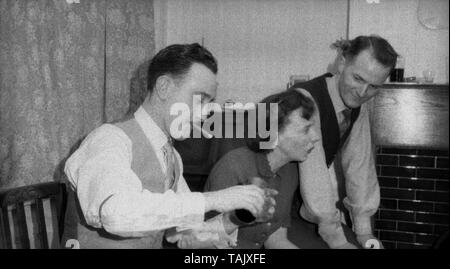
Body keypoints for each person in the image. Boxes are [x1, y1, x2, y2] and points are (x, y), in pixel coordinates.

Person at [61, 43, 271, 249]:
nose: (206, 112)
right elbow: (115, 215)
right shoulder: (109, 139)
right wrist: (214, 199)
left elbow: (184, 235)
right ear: (164, 87)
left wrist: (235, 215)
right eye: (200, 99)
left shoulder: (171, 157)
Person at [289, 35, 398, 249]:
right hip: (274, 204)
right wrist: (338, 240)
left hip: (304, 205)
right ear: (341, 62)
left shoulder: (357, 106)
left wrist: (364, 232)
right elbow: (315, 178)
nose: (363, 92)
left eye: (374, 86)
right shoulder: (305, 100)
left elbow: (360, 167)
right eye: (358, 78)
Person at [174, 90, 320, 249]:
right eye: (305, 129)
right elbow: (204, 242)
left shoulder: (289, 170)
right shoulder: (233, 166)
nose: (316, 136)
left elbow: (276, 238)